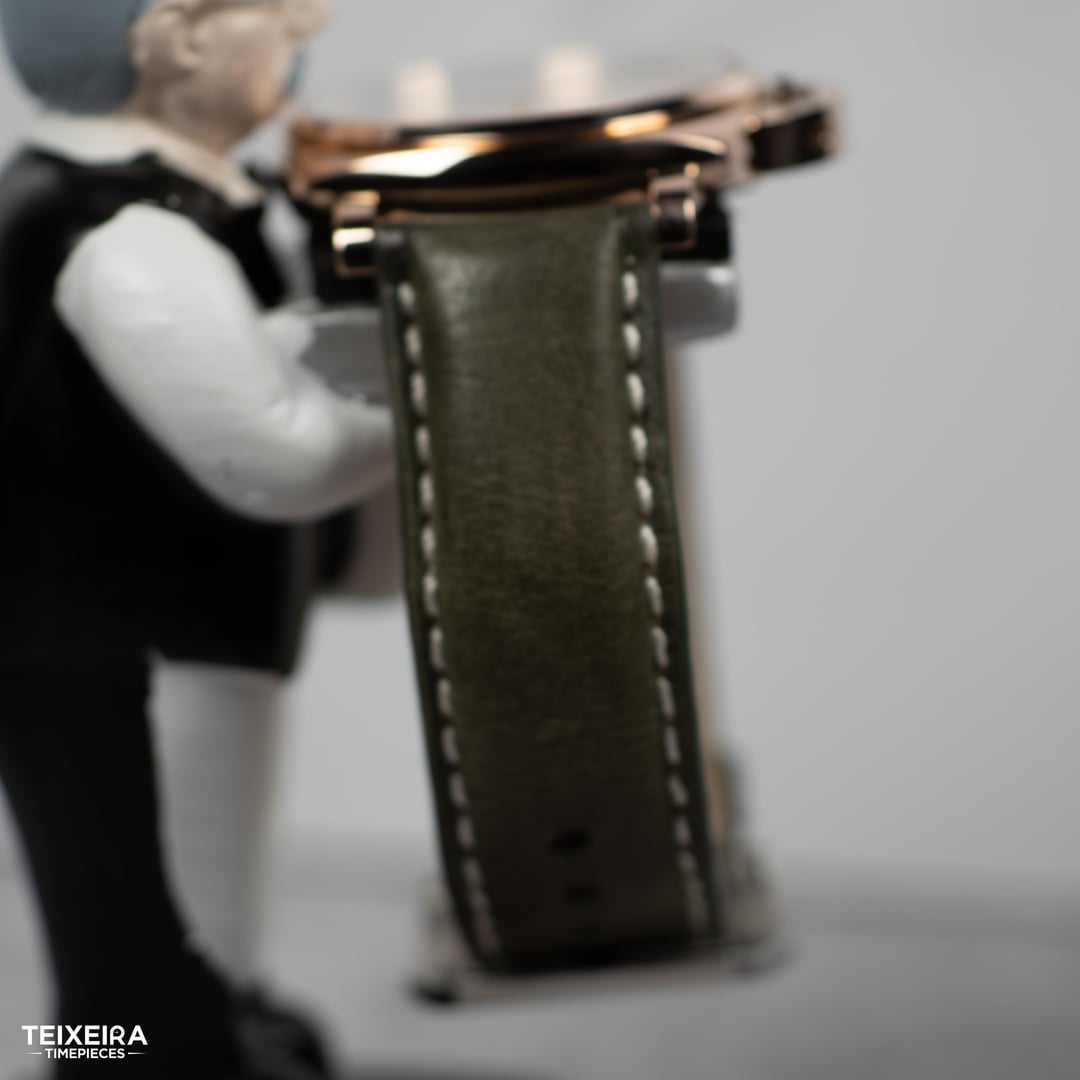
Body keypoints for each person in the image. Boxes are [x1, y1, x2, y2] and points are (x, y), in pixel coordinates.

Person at [0, 1, 392, 1075]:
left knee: (189, 865)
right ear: (175, 40)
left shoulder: (147, 202)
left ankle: (207, 1015)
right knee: (135, 891)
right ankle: (117, 1053)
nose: (309, 17)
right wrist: (432, 395)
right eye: (266, 6)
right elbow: (275, 454)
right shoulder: (127, 239)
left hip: (152, 619)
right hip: (111, 643)